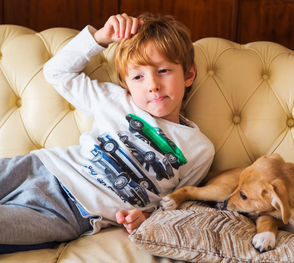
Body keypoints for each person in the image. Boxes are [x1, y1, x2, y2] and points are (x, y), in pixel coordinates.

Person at [0, 13, 214, 252]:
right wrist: (101, 37)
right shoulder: (115, 99)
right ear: (126, 84)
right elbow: (56, 72)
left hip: (73, 213)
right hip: (40, 168)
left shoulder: (199, 149)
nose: (152, 85)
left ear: (188, 75)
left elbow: (175, 204)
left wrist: (145, 217)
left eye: (163, 71)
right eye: (138, 77)